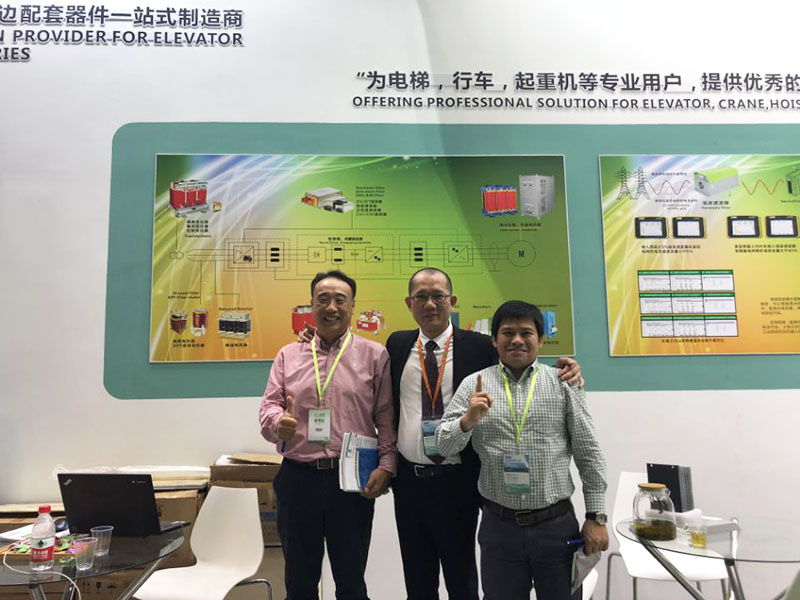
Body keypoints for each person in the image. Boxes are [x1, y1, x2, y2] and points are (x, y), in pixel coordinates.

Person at [386, 268, 583, 600]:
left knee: (462, 577)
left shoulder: (479, 345)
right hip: (410, 482)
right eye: (421, 297)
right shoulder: (397, 343)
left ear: (452, 301)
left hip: (460, 481)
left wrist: (567, 370)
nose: (430, 304)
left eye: (438, 296)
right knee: (417, 578)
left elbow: (520, 368)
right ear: (409, 303)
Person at [436, 300, 607, 600]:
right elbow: (442, 446)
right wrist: (468, 420)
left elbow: (588, 451)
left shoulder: (564, 383)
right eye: (507, 333)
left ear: (540, 340)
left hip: (555, 526)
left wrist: (596, 516)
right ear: (494, 339)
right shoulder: (474, 385)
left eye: (526, 333)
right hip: (499, 528)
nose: (516, 340)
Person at [259, 270, 396, 600]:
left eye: (340, 300)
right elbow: (269, 407)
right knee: (300, 583)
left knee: (351, 582)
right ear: (311, 305)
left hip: (349, 481)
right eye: (323, 299)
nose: (331, 307)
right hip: (298, 479)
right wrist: (279, 423)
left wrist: (387, 465)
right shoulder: (288, 355)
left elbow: (385, 416)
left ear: (352, 307)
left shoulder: (375, 355)